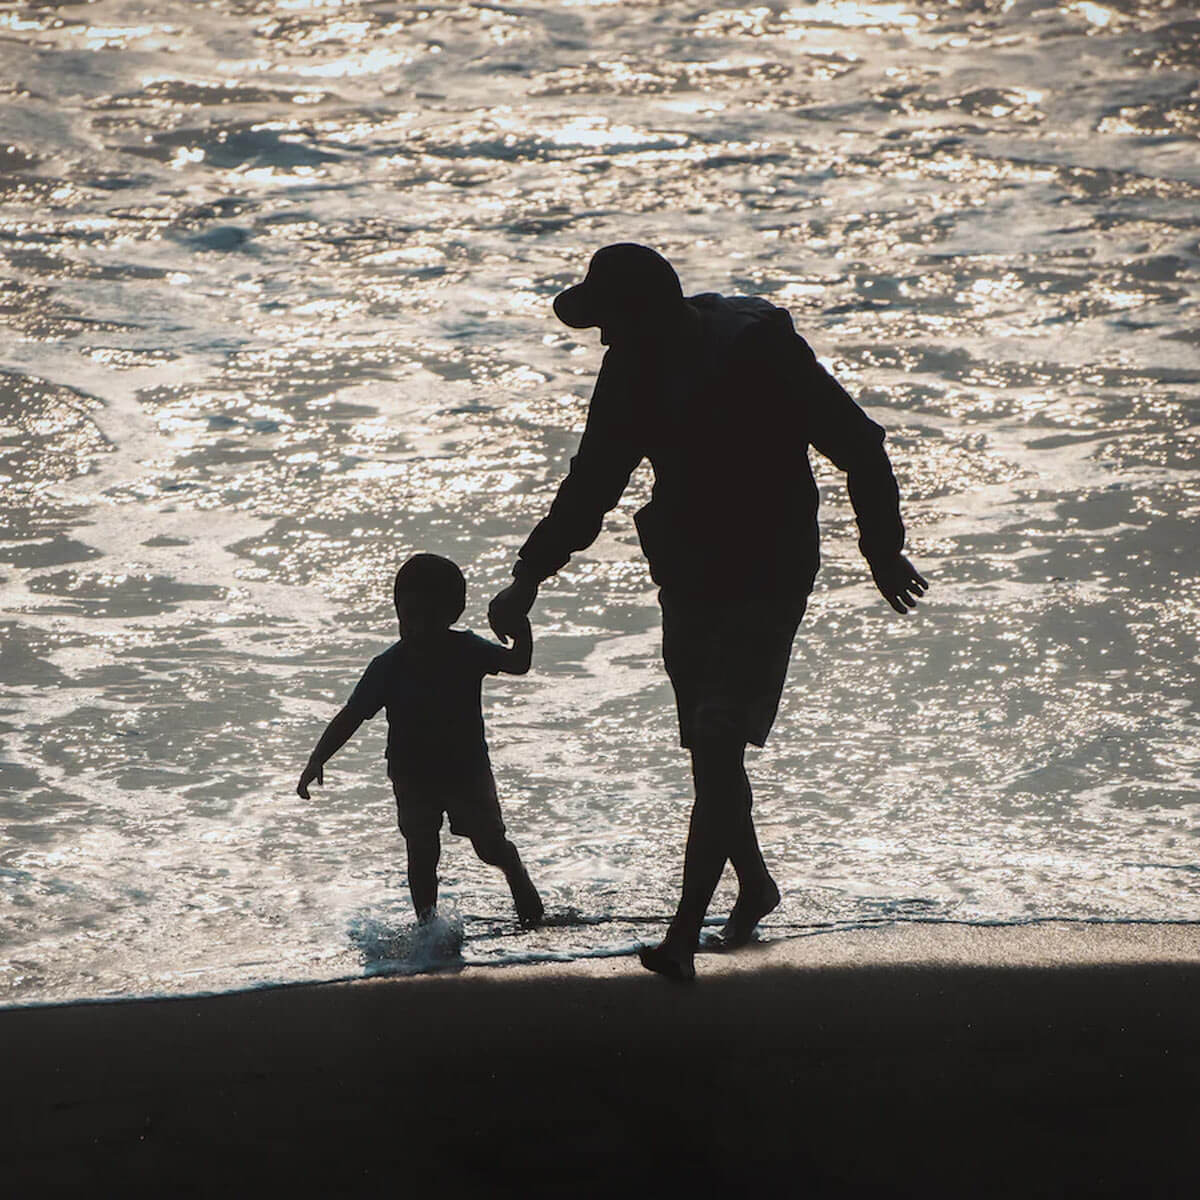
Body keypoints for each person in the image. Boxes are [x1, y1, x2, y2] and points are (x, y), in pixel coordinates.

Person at [488, 243, 926, 980]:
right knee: (709, 749)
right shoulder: (629, 366)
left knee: (718, 746)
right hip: (690, 570)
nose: (602, 339)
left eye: (610, 321)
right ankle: (753, 885)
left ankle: (684, 936)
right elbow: (592, 484)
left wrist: (881, 550)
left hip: (769, 569)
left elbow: (861, 445)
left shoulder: (759, 347)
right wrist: (528, 576)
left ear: (650, 313)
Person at [298, 553, 544, 928]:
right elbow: (351, 715)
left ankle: (514, 870)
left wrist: (520, 628)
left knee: (489, 846)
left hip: (467, 772)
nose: (418, 625)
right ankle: (427, 928)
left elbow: (518, 663)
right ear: (398, 611)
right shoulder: (388, 666)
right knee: (421, 854)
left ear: (454, 612)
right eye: (410, 614)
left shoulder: (468, 650)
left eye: (430, 615)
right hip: (412, 776)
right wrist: (318, 758)